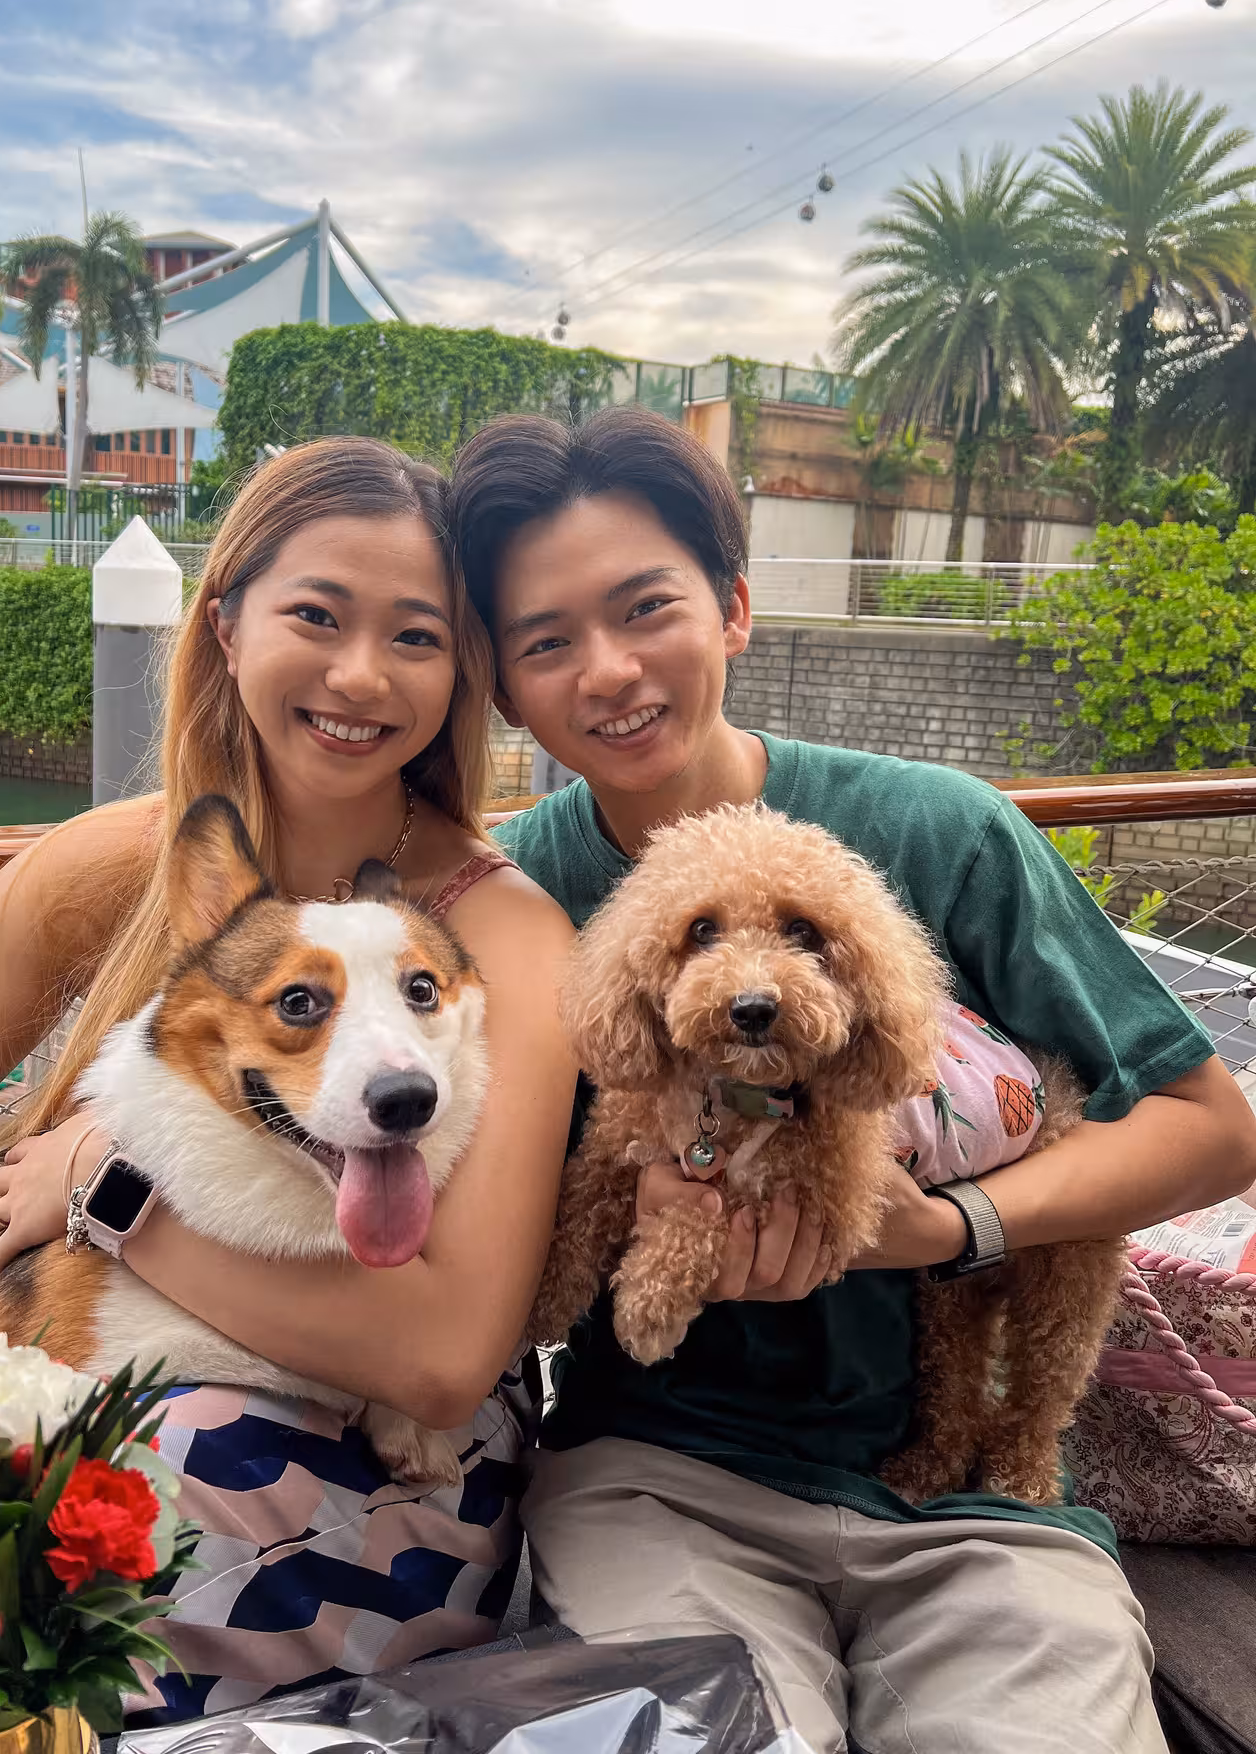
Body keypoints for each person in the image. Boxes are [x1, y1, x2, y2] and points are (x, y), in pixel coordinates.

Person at [447, 405, 1256, 1754]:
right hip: (658, 1477)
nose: (609, 672)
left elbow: (1208, 1129)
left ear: (735, 608)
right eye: (547, 642)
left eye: (648, 607)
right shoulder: (505, 892)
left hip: (976, 1511)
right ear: (504, 686)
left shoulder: (938, 833)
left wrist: (947, 1228)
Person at [0, 440, 575, 1717]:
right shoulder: (107, 866)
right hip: (84, 1370)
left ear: (463, 675)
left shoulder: (502, 936)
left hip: (383, 1456)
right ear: (226, 626)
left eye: (417, 637)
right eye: (317, 616)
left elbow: (445, 1362)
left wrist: (109, 1188)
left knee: (106, 1518)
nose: (358, 675)